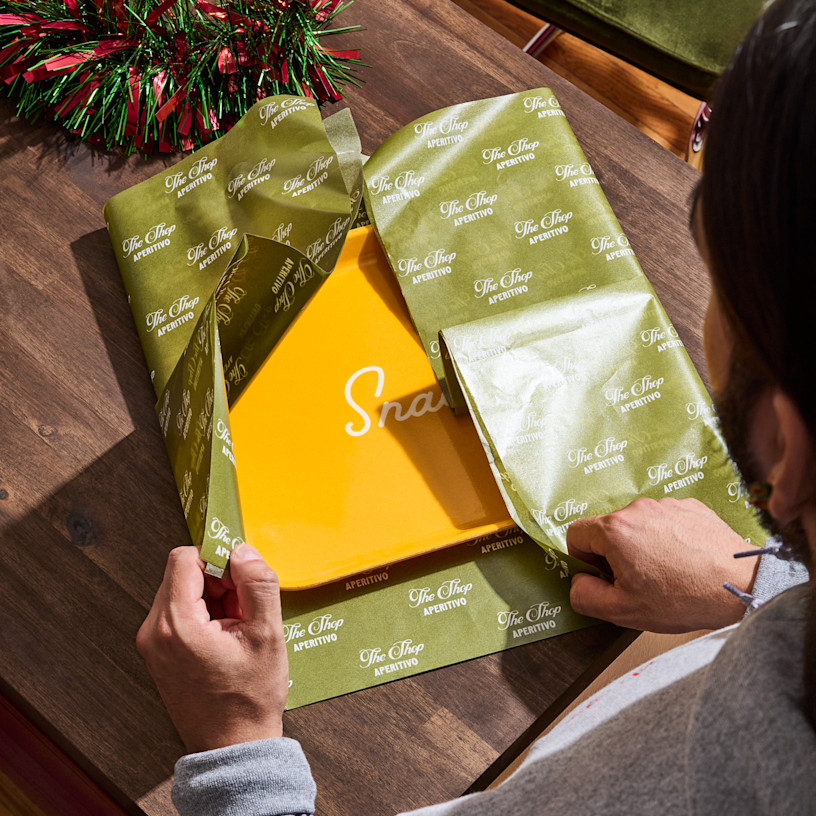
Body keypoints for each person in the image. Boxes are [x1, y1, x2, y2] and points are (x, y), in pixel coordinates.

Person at [136, 0, 816, 812]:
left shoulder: (725, 772)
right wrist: (755, 581)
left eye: (717, 288)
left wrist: (235, 745)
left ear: (787, 445)